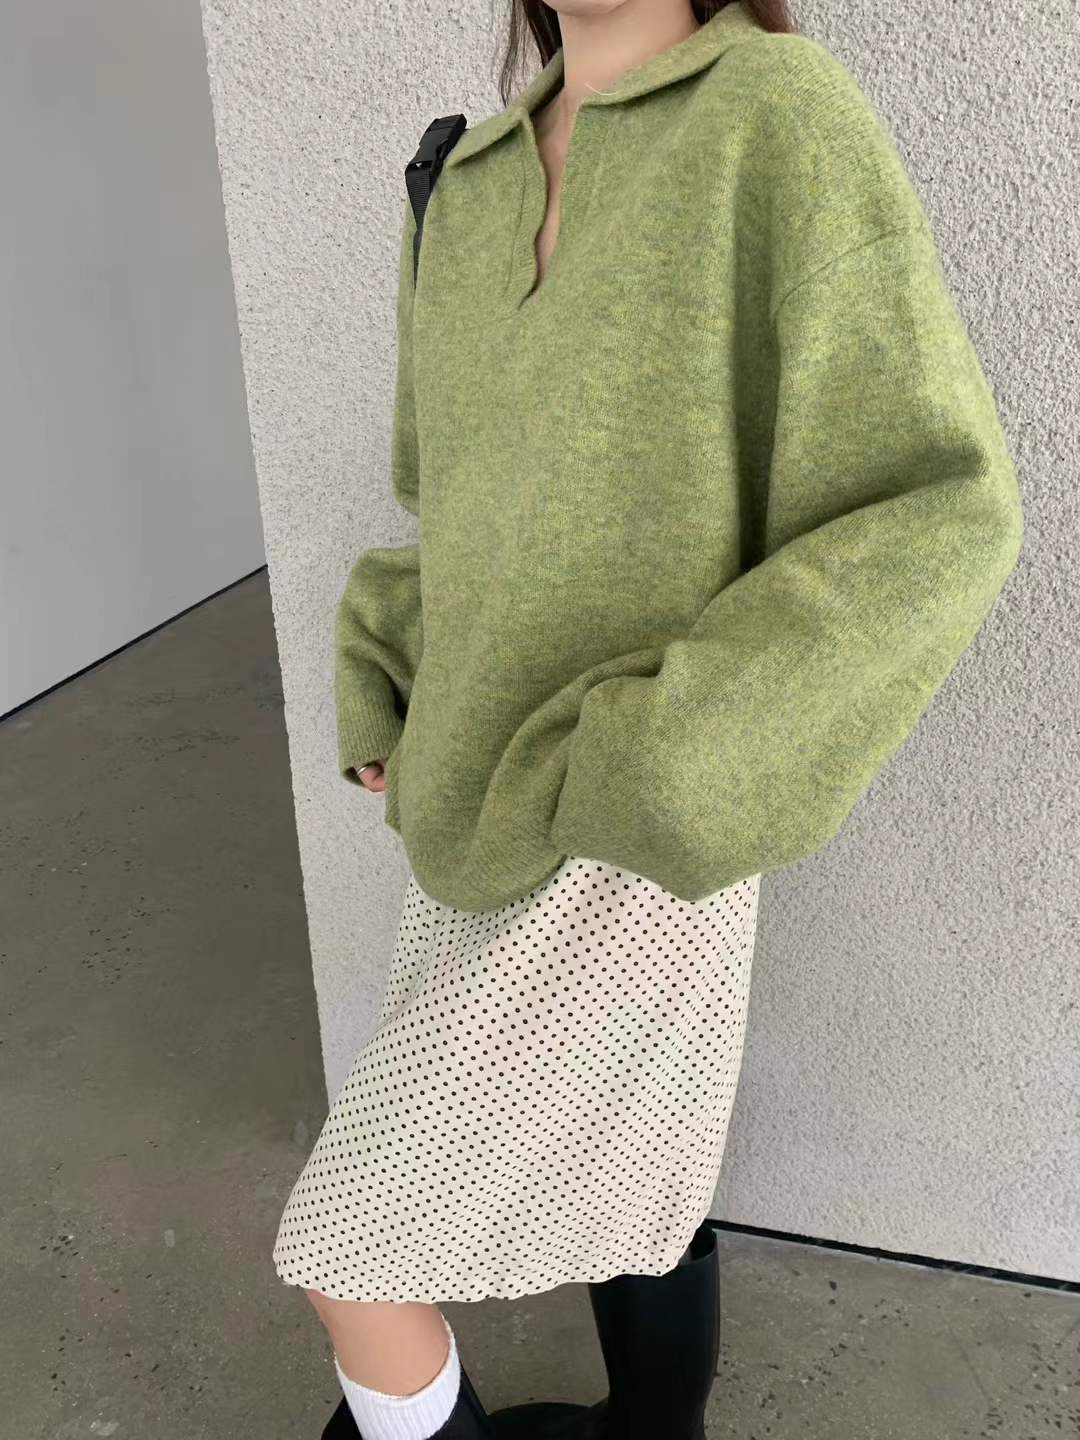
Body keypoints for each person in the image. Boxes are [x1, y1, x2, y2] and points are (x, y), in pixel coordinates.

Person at [272, 1, 1024, 1436]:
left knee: (351, 1257)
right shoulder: (467, 177)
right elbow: (451, 501)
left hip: (635, 832)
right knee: (629, 1166)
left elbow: (937, 508)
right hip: (473, 803)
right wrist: (390, 678)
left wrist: (665, 763)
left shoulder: (775, 117)